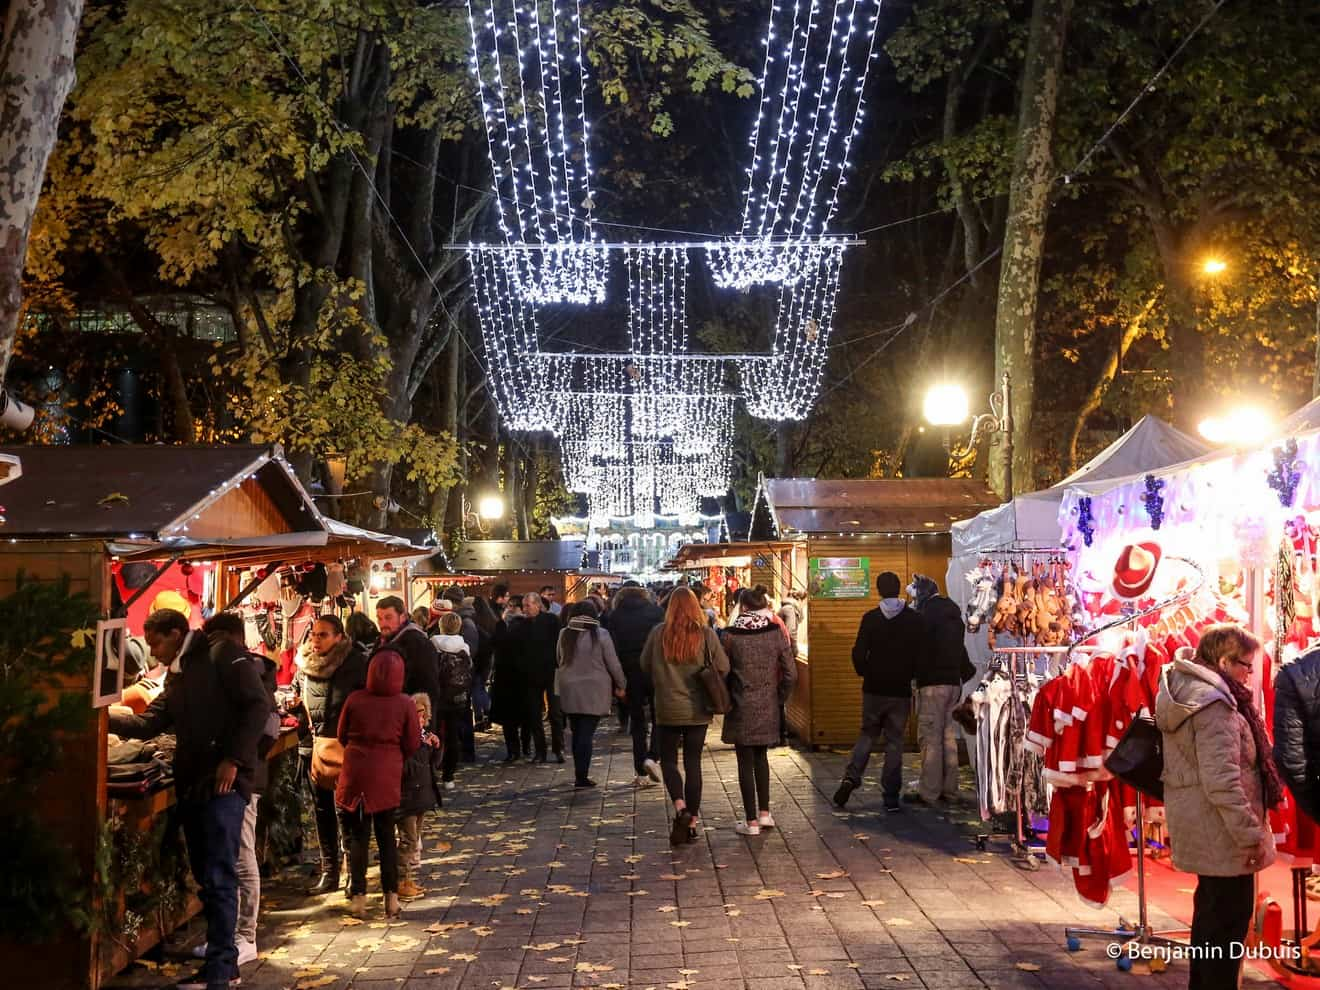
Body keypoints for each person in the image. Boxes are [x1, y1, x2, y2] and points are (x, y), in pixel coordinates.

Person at [110, 609, 270, 990]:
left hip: (223, 786)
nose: (153, 653)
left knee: (219, 877)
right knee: (208, 877)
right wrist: (103, 715)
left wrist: (233, 759)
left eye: (155, 643)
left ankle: (220, 971)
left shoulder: (220, 654)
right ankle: (223, 966)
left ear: (175, 633)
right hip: (195, 784)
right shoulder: (179, 673)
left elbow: (257, 705)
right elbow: (151, 721)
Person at [1156, 624, 1282, 990]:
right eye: (1245, 665)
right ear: (1224, 661)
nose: (1249, 674)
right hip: (1221, 831)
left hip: (1205, 824)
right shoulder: (1214, 706)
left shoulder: (1194, 691)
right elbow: (1222, 781)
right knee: (1226, 925)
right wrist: (1251, 834)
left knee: (1212, 917)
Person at [191, 613, 277, 969]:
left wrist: (239, 761)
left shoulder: (246, 670)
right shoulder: (241, 668)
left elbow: (266, 725)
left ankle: (245, 937)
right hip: (240, 775)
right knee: (232, 858)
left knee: (241, 857)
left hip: (243, 780)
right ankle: (225, 938)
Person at [640, 587, 730, 846]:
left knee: (669, 761)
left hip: (667, 708)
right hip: (697, 709)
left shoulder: (658, 634)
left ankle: (680, 808)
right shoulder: (706, 634)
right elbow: (723, 666)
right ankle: (692, 824)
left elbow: (645, 665)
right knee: (693, 763)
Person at [335, 648, 420, 919]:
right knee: (386, 838)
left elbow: (341, 734)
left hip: (356, 774)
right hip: (387, 777)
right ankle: (390, 899)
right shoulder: (405, 703)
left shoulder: (355, 699)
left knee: (358, 837)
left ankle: (358, 897)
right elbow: (412, 743)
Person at [833, 572, 928, 813]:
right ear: (899, 590)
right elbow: (920, 653)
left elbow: (858, 652)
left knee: (867, 734)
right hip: (900, 690)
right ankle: (890, 796)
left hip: (874, 689)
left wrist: (866, 672)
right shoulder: (913, 619)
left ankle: (851, 778)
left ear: (878, 589)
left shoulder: (871, 618)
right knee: (895, 742)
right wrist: (912, 675)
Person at [293, 615, 368, 896]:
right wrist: (293, 703)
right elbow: (296, 692)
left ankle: (355, 877)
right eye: (314, 634)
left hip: (346, 749)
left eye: (323, 635)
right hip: (313, 748)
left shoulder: (354, 663)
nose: (316, 639)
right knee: (322, 813)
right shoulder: (304, 665)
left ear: (339, 637)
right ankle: (330, 871)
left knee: (349, 815)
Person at [720, 588, 796, 835]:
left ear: (742, 608)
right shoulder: (775, 632)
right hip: (768, 702)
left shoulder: (730, 635)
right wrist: (779, 697)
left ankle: (750, 821)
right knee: (761, 758)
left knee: (744, 761)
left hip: (740, 703)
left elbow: (722, 671)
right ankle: (765, 814)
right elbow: (791, 673)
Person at [908, 575, 967, 805]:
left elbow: (918, 650)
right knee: (948, 736)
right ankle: (950, 790)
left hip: (932, 683)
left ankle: (930, 792)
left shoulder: (925, 617)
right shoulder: (952, 615)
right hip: (954, 682)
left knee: (930, 738)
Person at [556, 601, 627, 788]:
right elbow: (613, 663)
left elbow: (559, 658)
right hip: (595, 689)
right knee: (586, 734)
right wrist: (621, 684)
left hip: (569, 687)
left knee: (577, 730)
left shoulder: (565, 633)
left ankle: (579, 773)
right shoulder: (601, 634)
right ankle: (582, 776)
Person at [607, 581, 666, 787]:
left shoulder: (614, 616)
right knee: (660, 716)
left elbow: (612, 649)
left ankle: (640, 771)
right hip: (655, 669)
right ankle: (653, 756)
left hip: (629, 671)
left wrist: (616, 680)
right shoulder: (657, 612)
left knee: (637, 720)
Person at [396, 693, 443, 900]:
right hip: (406, 797)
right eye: (417, 714)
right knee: (408, 841)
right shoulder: (404, 739)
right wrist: (423, 747)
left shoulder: (423, 735)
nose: (421, 719)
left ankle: (408, 880)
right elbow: (406, 767)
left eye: (424, 715)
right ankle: (399, 881)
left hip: (421, 795)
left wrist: (434, 746)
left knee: (414, 842)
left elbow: (433, 765)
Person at [375, 596, 441, 732]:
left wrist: (420, 725)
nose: (382, 624)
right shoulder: (382, 641)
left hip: (409, 722)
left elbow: (427, 687)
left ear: (403, 617)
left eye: (388, 617)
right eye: (379, 618)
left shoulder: (417, 643)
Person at [430, 611, 474, 790]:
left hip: (437, 695)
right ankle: (449, 776)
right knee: (453, 735)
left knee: (432, 733)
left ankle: (432, 769)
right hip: (457, 697)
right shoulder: (464, 646)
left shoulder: (433, 643)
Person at [523, 592, 564, 763]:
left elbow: (559, 644)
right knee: (534, 713)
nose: (525, 609)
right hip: (531, 673)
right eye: (524, 606)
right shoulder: (523, 624)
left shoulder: (552, 621)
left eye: (528, 605)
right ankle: (540, 750)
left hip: (551, 670)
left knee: (555, 712)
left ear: (538, 605)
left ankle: (558, 748)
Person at [470, 596, 499, 732]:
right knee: (480, 687)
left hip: (477, 659)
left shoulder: (474, 621)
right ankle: (486, 714)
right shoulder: (491, 619)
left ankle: (481, 716)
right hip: (488, 658)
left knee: (476, 688)